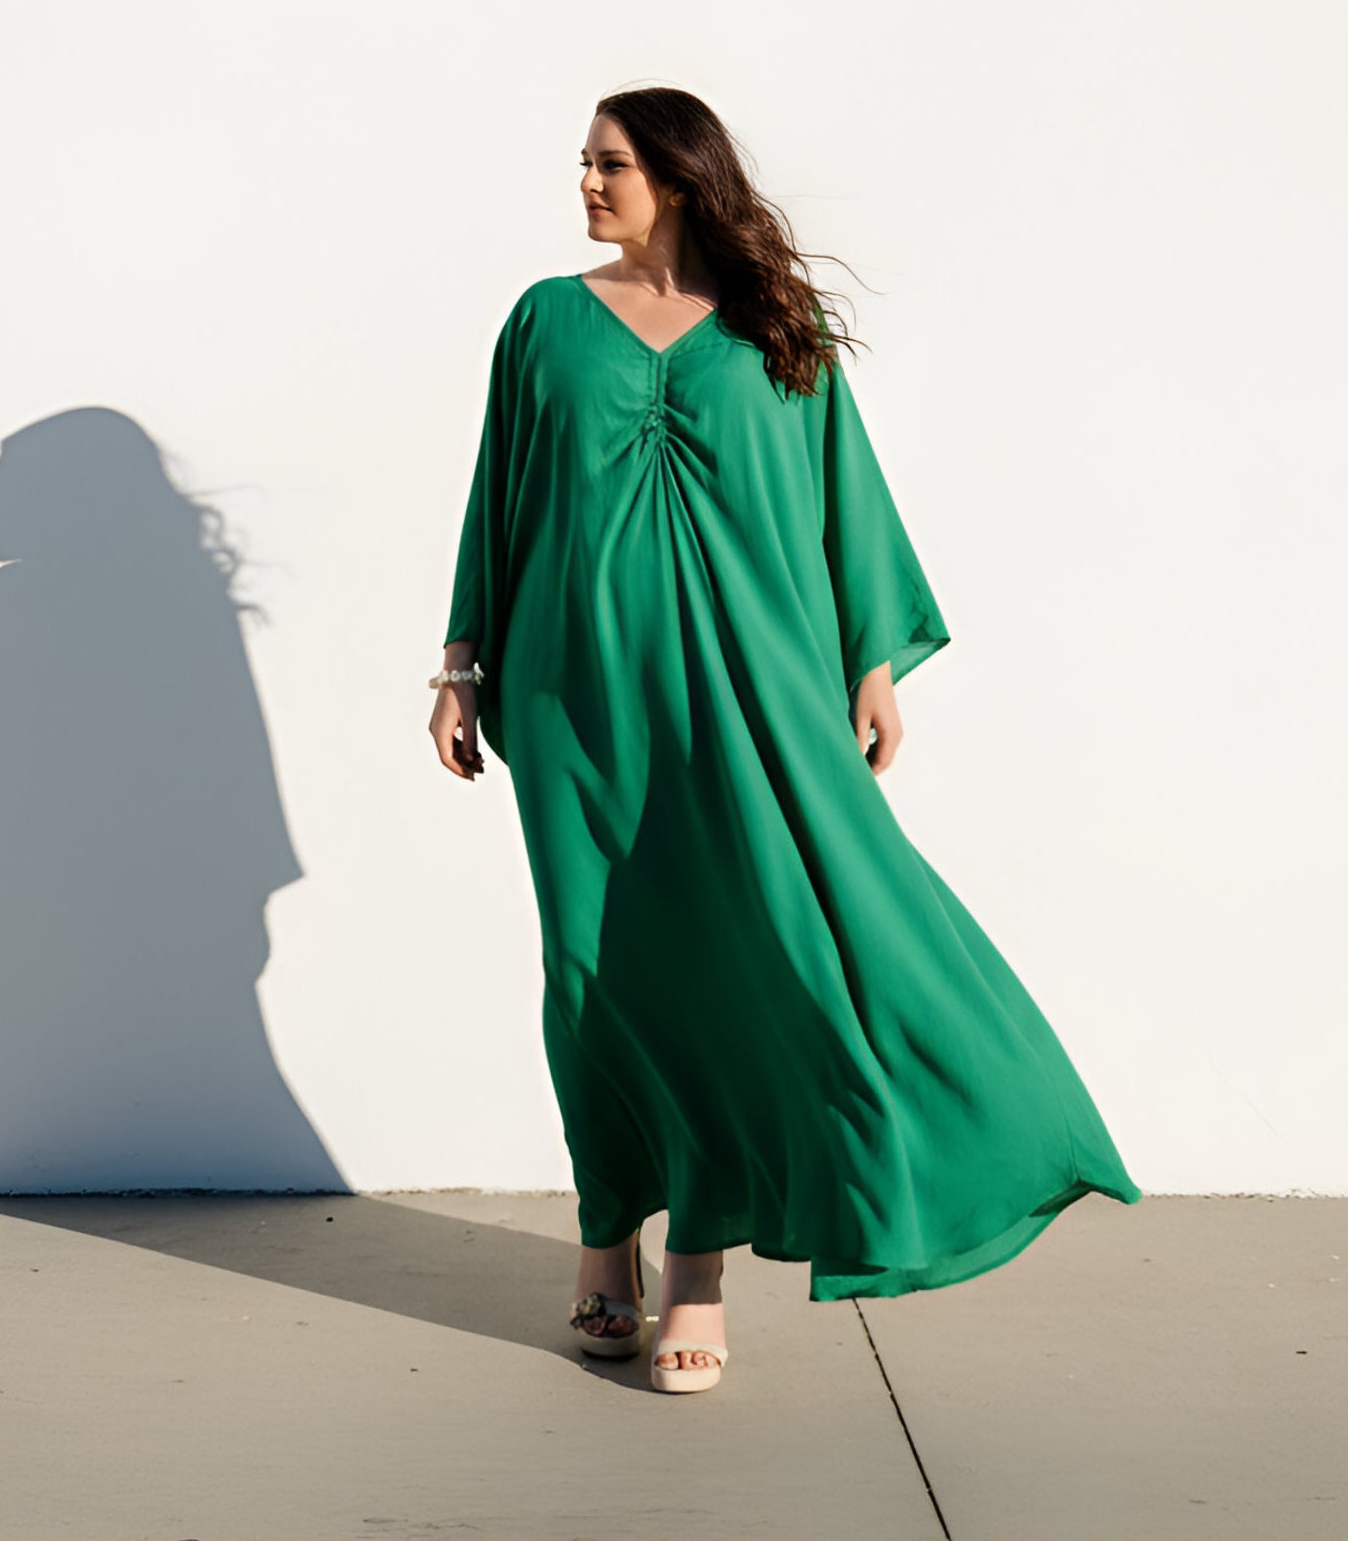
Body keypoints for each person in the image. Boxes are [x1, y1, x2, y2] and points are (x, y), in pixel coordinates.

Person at [429, 86, 1142, 1396]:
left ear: (679, 178)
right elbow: (501, 491)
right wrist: (462, 661)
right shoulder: (543, 322)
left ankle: (696, 1268)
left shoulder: (774, 325)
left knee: (736, 963)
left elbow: (841, 495)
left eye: (609, 164)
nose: (586, 183)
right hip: (577, 698)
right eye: (584, 162)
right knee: (590, 969)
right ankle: (606, 1232)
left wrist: (871, 663)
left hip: (754, 697)